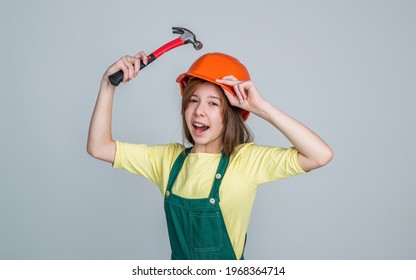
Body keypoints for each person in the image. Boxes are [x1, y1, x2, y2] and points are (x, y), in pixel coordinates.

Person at [87, 51, 333, 260]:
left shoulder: (246, 161)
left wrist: (261, 108)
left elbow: (320, 155)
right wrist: (107, 85)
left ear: (232, 112)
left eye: (213, 104)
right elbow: (99, 147)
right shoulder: (168, 161)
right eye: (193, 100)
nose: (199, 112)